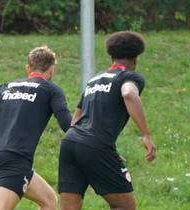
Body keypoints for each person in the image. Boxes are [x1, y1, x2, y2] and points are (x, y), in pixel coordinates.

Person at [58, 31, 156, 210]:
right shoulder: (130, 77)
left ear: (111, 56)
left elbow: (76, 118)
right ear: (136, 59)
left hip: (70, 142)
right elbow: (128, 93)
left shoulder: (94, 80)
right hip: (94, 144)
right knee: (124, 206)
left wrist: (99, 149)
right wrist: (146, 135)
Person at [0, 46, 72, 210]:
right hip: (15, 161)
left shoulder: (6, 86)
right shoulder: (51, 91)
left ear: (28, 68)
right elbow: (67, 125)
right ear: (51, 69)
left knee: (48, 200)